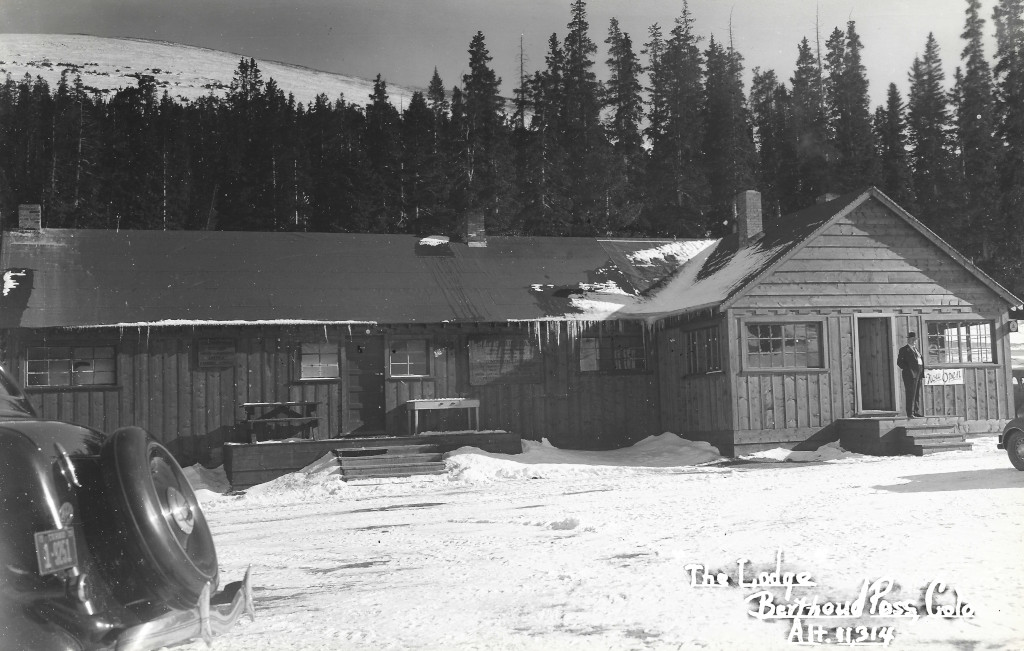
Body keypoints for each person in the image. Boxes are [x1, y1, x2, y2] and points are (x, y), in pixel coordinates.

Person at [896, 332, 924, 418]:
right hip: (910, 374)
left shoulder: (916, 349)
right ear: (909, 340)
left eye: (915, 340)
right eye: (913, 339)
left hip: (918, 373)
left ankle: (915, 411)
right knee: (910, 393)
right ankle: (910, 412)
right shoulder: (904, 350)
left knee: (916, 393)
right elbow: (899, 362)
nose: (915, 341)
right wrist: (908, 370)